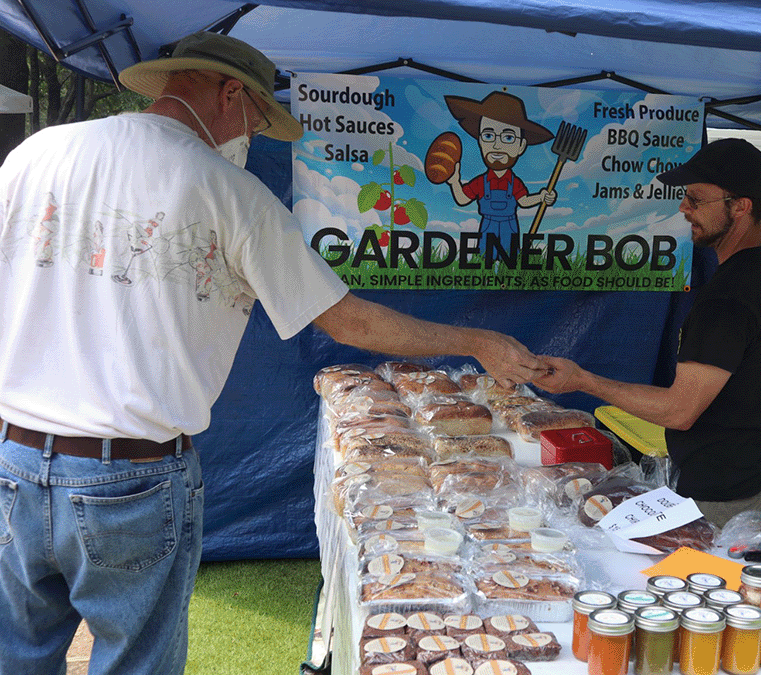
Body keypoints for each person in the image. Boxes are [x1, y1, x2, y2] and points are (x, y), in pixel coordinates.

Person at [0, 31, 544, 675]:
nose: (253, 134)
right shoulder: (230, 191)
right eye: (258, 116)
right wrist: (474, 341)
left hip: (14, 459)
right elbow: (349, 321)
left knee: (20, 654)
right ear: (231, 92)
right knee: (136, 661)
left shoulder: (35, 153)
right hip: (133, 477)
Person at [533, 138, 761, 528]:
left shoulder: (731, 294)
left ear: (741, 206)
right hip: (747, 478)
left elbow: (680, 410)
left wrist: (583, 380)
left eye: (696, 199)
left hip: (715, 493)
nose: (684, 208)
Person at [444, 91, 558, 256]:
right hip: (487, 227)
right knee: (485, 259)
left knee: (510, 259)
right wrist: (455, 182)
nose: (497, 145)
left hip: (509, 226)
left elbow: (524, 201)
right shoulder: (480, 182)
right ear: (480, 141)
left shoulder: (515, 182)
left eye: (508, 138)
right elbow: (462, 199)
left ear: (521, 146)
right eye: (489, 136)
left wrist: (542, 198)